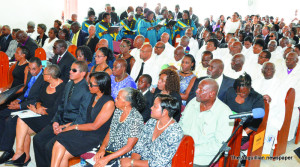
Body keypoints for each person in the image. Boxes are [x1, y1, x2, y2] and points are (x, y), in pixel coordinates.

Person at [33, 61, 92, 167]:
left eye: (74, 70)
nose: (70, 71)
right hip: (60, 121)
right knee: (37, 139)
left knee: (49, 146)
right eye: (70, 69)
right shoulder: (69, 84)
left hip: (72, 126)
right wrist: (55, 121)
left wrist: (63, 127)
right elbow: (61, 106)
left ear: (83, 73)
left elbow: (82, 117)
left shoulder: (87, 90)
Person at [51, 72, 115, 167]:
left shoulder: (109, 103)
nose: (88, 85)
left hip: (95, 136)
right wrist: (66, 126)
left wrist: (73, 127)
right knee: (62, 154)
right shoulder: (93, 96)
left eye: (91, 84)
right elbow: (84, 117)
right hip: (85, 130)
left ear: (101, 86)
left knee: (60, 139)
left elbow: (95, 126)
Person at [6, 65, 65, 166]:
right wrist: (38, 108)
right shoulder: (46, 84)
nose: (42, 74)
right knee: (21, 121)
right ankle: (21, 153)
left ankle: (23, 156)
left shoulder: (62, 88)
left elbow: (56, 109)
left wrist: (40, 111)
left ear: (50, 76)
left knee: (23, 129)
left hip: (52, 118)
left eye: (44, 73)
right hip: (40, 113)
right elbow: (38, 99)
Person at [0, 57, 45, 165]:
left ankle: (7, 149)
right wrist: (17, 100)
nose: (32, 71)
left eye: (34, 69)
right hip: (24, 102)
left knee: (11, 120)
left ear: (40, 67)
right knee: (1, 113)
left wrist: (20, 107)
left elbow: (38, 99)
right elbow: (26, 91)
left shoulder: (44, 78)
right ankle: (4, 145)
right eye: (30, 69)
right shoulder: (30, 73)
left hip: (34, 106)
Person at [179, 78, 233, 166]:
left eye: (201, 90)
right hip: (181, 149)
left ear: (212, 94)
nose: (196, 91)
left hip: (201, 158)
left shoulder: (224, 113)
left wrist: (191, 150)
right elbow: (181, 124)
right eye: (197, 88)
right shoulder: (193, 102)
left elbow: (219, 145)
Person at [120, 94, 184, 167]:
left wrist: (132, 162)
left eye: (155, 106)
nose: (151, 108)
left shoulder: (174, 132)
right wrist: (132, 164)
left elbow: (158, 163)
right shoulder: (152, 122)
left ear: (165, 112)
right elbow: (138, 148)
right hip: (140, 164)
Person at [93, 87, 144, 167]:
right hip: (110, 149)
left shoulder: (136, 119)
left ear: (127, 103)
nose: (115, 99)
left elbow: (129, 147)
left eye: (118, 98)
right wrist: (102, 148)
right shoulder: (118, 111)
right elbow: (111, 131)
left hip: (123, 154)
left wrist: (107, 158)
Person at [224, 73, 265, 147]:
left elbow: (257, 121)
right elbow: (223, 108)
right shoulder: (230, 91)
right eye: (238, 92)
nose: (241, 94)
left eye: (244, 92)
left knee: (231, 143)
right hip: (228, 125)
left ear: (250, 88)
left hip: (245, 130)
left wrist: (242, 133)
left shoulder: (257, 98)